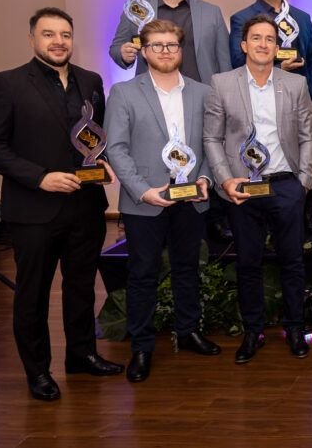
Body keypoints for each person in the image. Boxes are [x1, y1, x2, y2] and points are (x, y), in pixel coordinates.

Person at [0, 7, 122, 401]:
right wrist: (39, 176)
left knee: (81, 287)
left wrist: (102, 163)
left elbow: (94, 137)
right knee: (32, 293)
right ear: (32, 39)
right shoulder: (7, 84)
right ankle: (38, 371)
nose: (58, 41)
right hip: (34, 209)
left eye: (65, 34)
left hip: (85, 206)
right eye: (48, 34)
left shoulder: (90, 81)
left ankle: (81, 355)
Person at [104, 20, 222, 382]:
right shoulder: (124, 93)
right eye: (157, 45)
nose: (166, 51)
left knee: (188, 268)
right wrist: (143, 190)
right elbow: (117, 149)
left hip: (191, 197)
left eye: (172, 44)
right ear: (143, 50)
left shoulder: (203, 92)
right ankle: (141, 347)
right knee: (143, 274)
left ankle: (187, 332)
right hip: (146, 201)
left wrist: (204, 177)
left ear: (181, 49)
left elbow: (209, 143)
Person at [202, 15, 312, 364]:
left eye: (270, 38)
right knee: (248, 263)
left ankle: (295, 328)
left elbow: (308, 136)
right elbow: (211, 138)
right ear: (244, 45)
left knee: (293, 261)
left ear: (277, 47)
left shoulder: (295, 84)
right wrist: (224, 180)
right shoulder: (221, 84)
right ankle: (254, 331)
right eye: (256, 38)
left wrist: (303, 183)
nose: (263, 44)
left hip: (284, 184)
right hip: (243, 188)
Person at [109, 0, 231, 84]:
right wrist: (123, 54)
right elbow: (115, 48)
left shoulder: (212, 13)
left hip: (202, 97)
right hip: (151, 98)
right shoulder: (136, 9)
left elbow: (224, 62)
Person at [230, 0, 312, 100]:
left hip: (300, 97)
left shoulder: (302, 17)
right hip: (260, 96)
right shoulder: (242, 19)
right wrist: (279, 70)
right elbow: (238, 61)